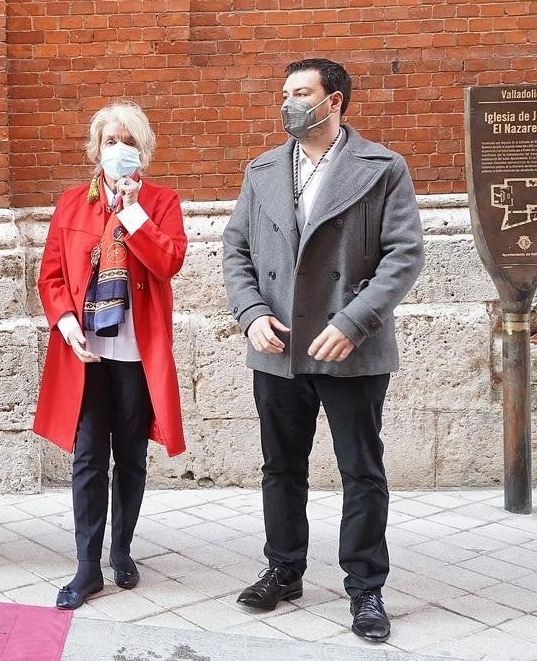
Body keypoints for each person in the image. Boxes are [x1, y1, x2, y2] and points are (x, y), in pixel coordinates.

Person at [221, 58, 425, 641]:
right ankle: (283, 570)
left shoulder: (382, 168)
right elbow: (235, 252)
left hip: (348, 350)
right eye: (284, 92)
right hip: (278, 345)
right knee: (280, 467)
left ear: (333, 101)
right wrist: (251, 314)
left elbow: (403, 255)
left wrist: (355, 322)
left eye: (300, 93)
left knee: (361, 470)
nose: (288, 102)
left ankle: (365, 589)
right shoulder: (262, 170)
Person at [32, 101, 187, 610]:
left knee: (132, 459)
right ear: (95, 149)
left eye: (129, 141)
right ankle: (86, 564)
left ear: (144, 151)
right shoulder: (73, 202)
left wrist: (132, 211)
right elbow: (51, 275)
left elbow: (168, 262)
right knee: (88, 458)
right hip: (87, 353)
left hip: (137, 355)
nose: (119, 150)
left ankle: (121, 549)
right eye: (111, 141)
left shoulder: (161, 201)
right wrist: (67, 321)